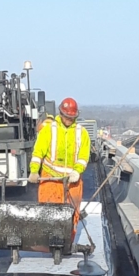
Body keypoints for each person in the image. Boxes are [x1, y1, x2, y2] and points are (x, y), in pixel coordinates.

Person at [28, 97, 91, 243]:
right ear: (61, 114)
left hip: (72, 181)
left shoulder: (82, 133)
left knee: (71, 214)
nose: (69, 120)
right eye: (67, 117)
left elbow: (83, 156)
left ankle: (67, 244)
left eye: (72, 117)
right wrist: (34, 171)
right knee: (48, 212)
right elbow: (38, 152)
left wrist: (77, 171)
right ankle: (50, 244)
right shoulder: (49, 130)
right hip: (50, 179)